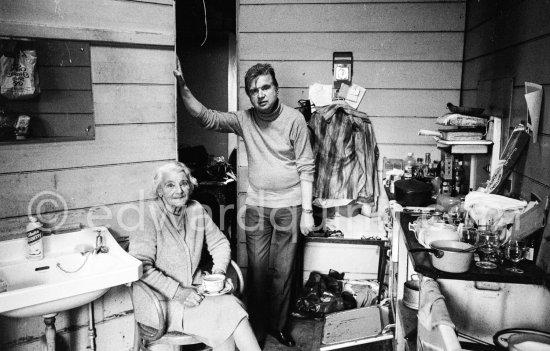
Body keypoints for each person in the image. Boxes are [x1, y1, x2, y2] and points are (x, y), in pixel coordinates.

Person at [174, 61, 315, 347]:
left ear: (276, 89)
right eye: (254, 91)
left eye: (265, 87)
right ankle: (256, 328)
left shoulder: (295, 120)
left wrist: (308, 212)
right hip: (257, 206)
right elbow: (206, 118)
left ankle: (278, 326)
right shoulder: (244, 119)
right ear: (249, 96)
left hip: (291, 205)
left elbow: (306, 167)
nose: (260, 94)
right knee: (259, 271)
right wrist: (183, 87)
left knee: (284, 271)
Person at [130, 161, 261, 351]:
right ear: (159, 191)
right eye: (170, 185)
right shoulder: (147, 216)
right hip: (160, 301)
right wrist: (178, 292)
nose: (179, 190)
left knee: (230, 311)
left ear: (190, 186)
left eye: (183, 183)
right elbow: (141, 266)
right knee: (230, 316)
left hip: (195, 292)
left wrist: (218, 274)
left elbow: (220, 243)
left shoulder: (195, 209)